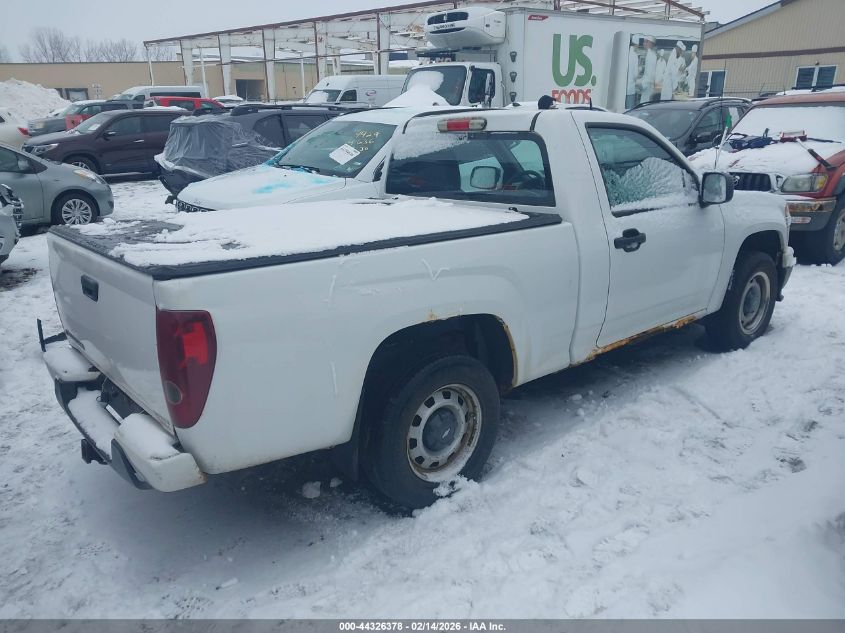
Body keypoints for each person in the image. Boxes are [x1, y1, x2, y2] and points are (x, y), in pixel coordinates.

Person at [638, 36, 658, 103]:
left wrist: (641, 84)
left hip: (647, 86)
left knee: (645, 103)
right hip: (648, 85)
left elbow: (650, 74)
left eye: (645, 42)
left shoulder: (651, 55)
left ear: (649, 43)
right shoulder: (651, 54)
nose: (643, 44)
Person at [626, 35, 640, 109]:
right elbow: (635, 75)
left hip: (623, 89)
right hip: (630, 89)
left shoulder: (626, 53)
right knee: (629, 109)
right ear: (637, 44)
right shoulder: (634, 56)